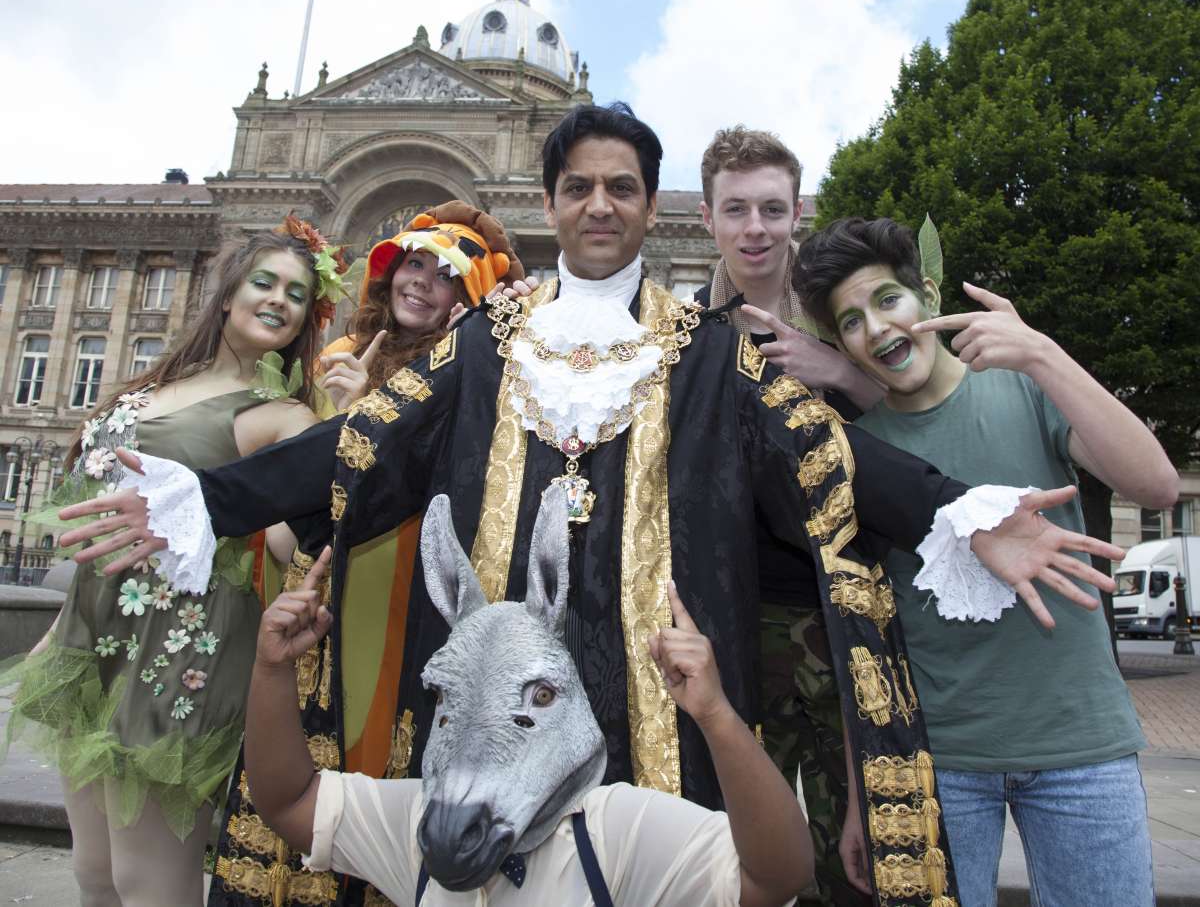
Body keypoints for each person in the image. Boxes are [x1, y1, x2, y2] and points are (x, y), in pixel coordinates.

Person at [60, 104, 1123, 904]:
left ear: (647, 204)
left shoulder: (708, 353)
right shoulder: (486, 343)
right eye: (579, 186)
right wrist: (211, 500)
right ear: (554, 203)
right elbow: (360, 448)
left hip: (672, 702)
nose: (600, 204)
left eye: (621, 186)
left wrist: (959, 512)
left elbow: (826, 453)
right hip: (496, 702)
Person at [792, 216, 1177, 907]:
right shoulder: (857, 454)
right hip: (941, 766)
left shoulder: (1026, 388)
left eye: (887, 300)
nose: (877, 331)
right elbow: (863, 636)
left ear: (928, 292)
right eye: (851, 321)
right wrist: (860, 794)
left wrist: (1041, 353)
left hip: (1081, 750)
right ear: (840, 343)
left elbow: (1156, 485)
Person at [243, 490, 814, 906]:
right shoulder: (420, 825)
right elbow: (290, 801)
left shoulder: (613, 831)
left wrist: (713, 714)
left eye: (538, 695)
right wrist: (272, 669)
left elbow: (774, 876)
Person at [1, 218, 338, 907]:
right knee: (94, 872)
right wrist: (60, 628)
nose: (278, 299)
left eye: (297, 294)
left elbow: (289, 542)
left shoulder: (283, 417)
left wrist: (348, 419)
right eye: (265, 282)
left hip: (182, 652)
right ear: (226, 294)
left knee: (148, 882)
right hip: (94, 636)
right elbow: (104, 529)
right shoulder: (154, 384)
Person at [207, 203, 522, 907]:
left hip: (400, 592)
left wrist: (355, 422)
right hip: (317, 585)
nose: (422, 283)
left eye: (446, 277)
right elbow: (293, 510)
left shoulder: (467, 381)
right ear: (388, 273)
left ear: (465, 302)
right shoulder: (339, 356)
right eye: (414, 263)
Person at [697, 126, 877, 906]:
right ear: (708, 218)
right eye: (736, 209)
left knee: (858, 864)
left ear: (798, 210)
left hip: (844, 626)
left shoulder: (846, 312)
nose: (755, 228)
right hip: (733, 627)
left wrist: (838, 369)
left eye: (772, 208)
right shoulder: (684, 336)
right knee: (738, 863)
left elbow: (918, 414)